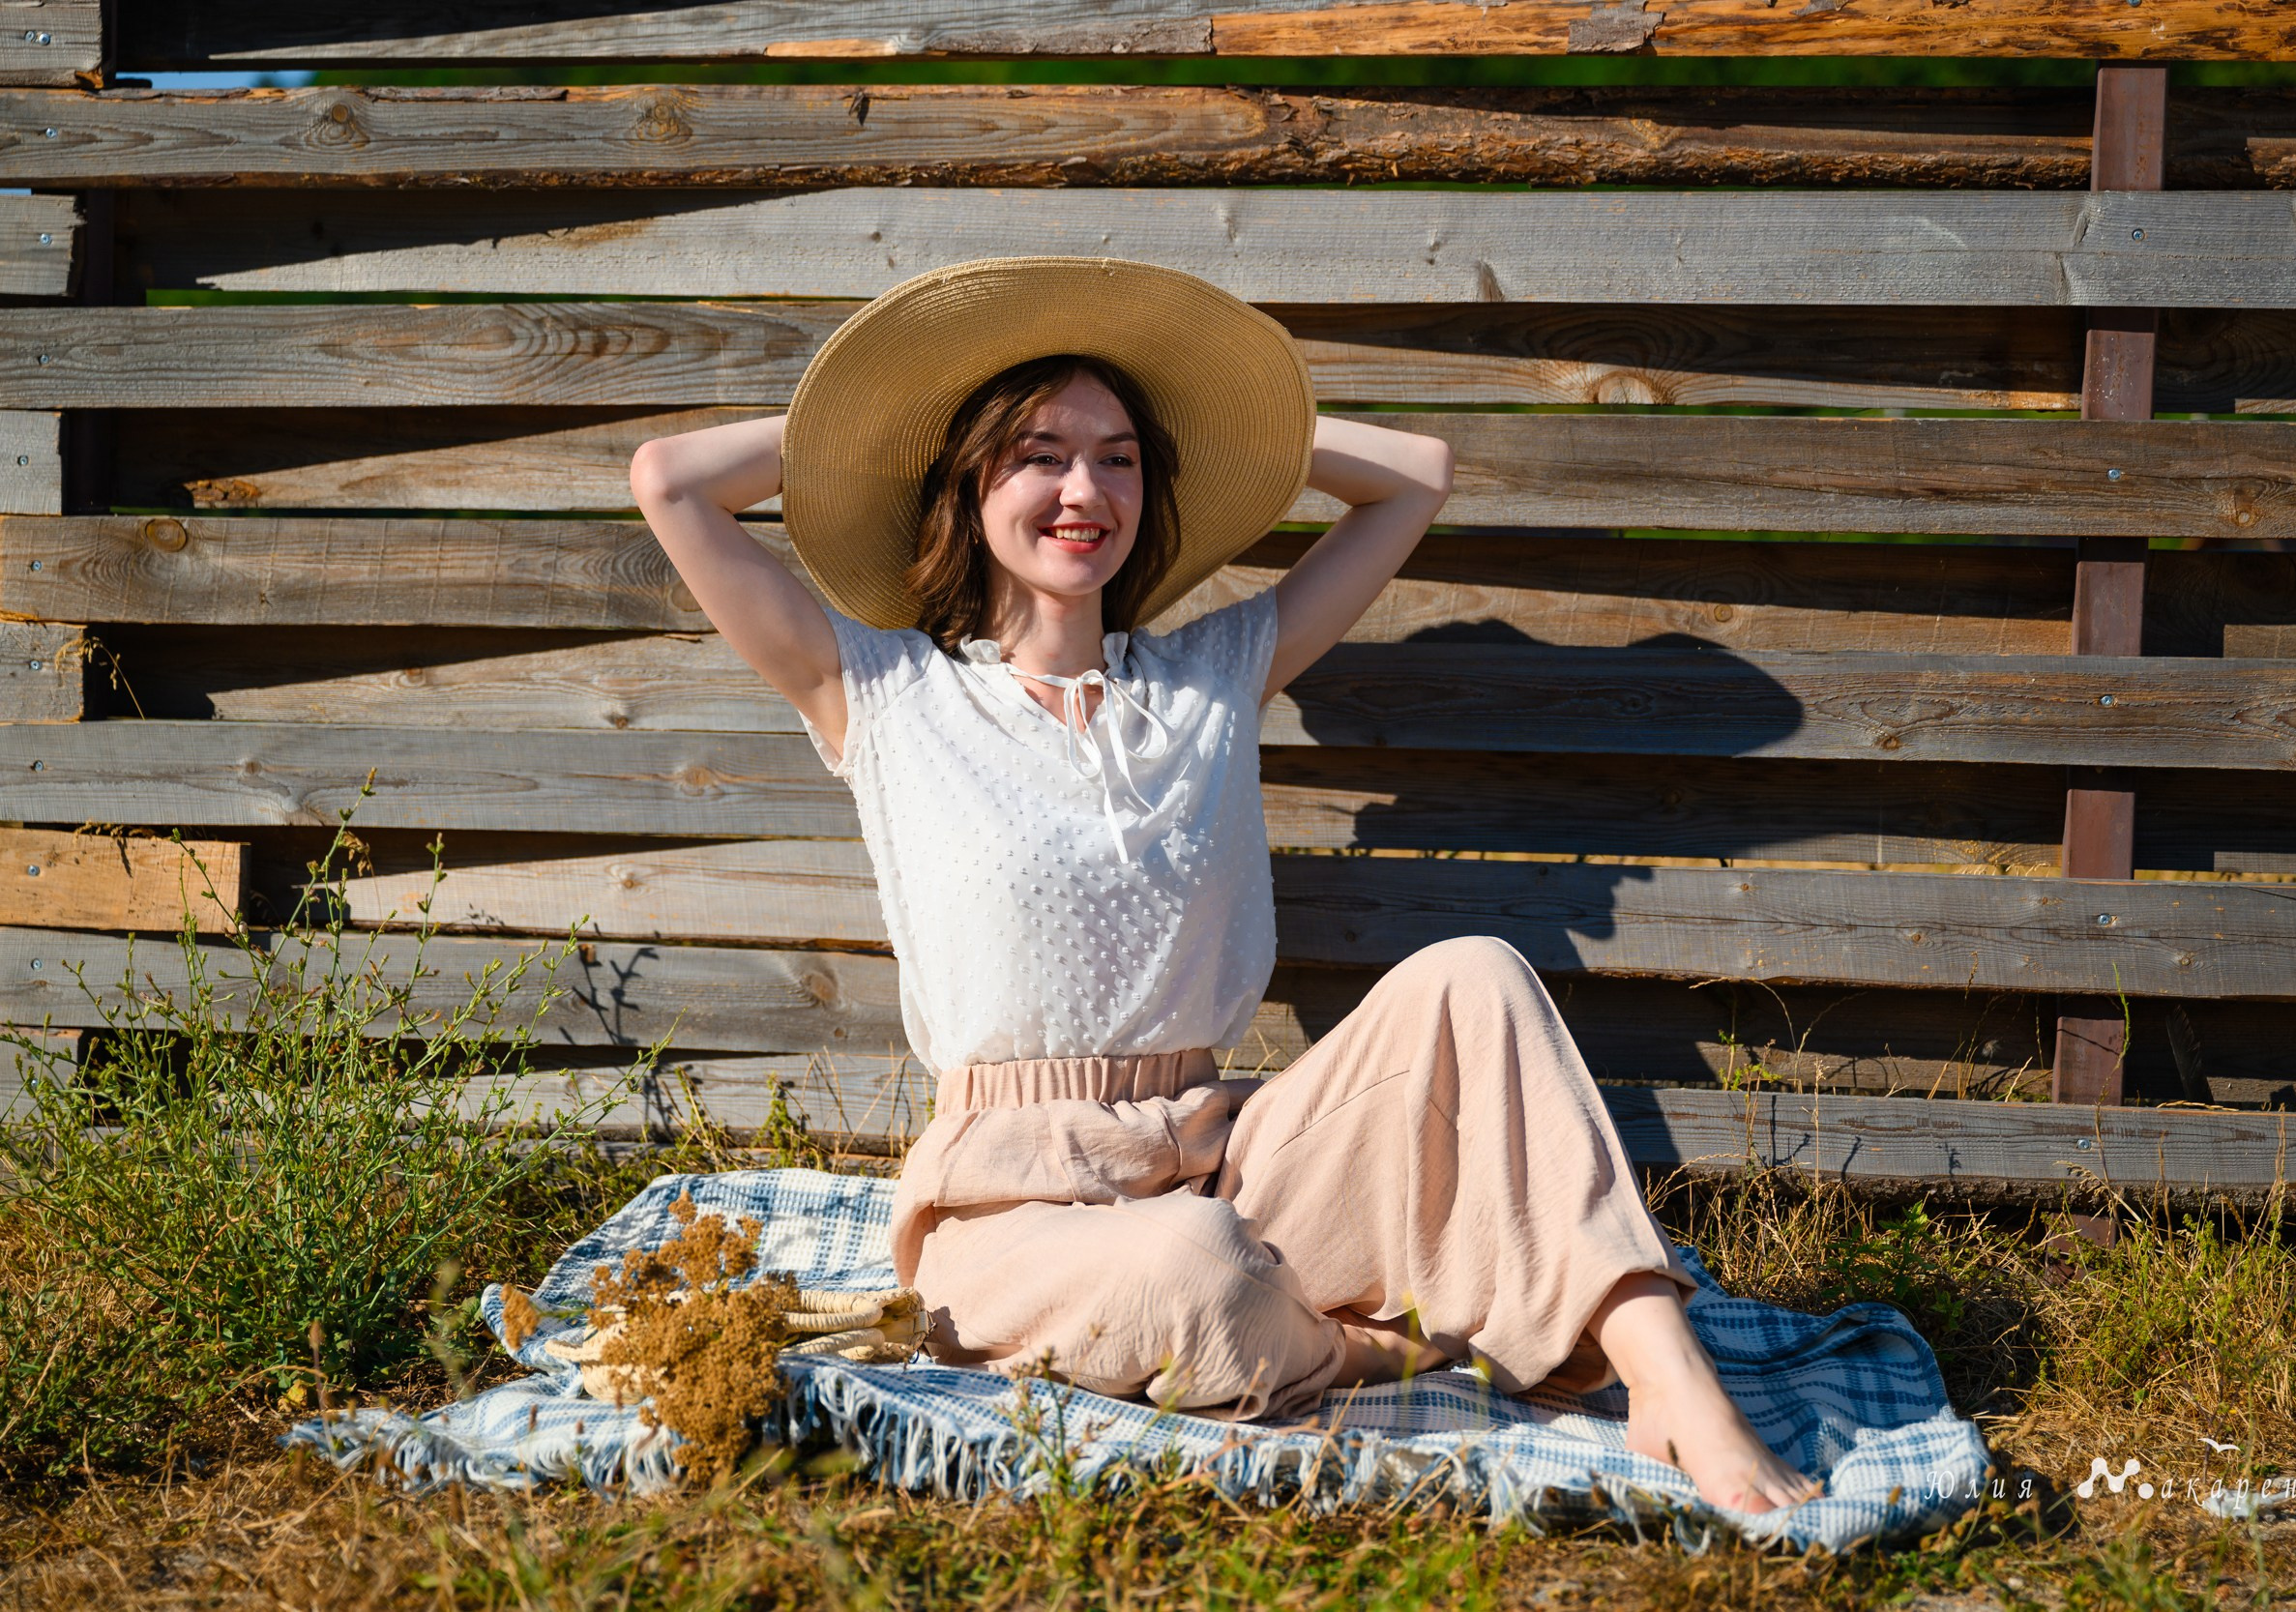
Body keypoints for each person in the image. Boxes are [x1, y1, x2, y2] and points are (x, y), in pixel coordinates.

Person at [631, 257, 1819, 1512]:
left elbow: (1412, 477)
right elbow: (672, 484)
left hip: (1227, 1151)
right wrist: (896, 419)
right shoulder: (881, 690)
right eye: (1037, 453)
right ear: (967, 480)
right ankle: (1358, 1346)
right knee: (1188, 1271)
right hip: (1007, 1207)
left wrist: (1226, 427)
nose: (1085, 488)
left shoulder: (1212, 673)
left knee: (1475, 978)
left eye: (1123, 457)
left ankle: (1667, 1372)